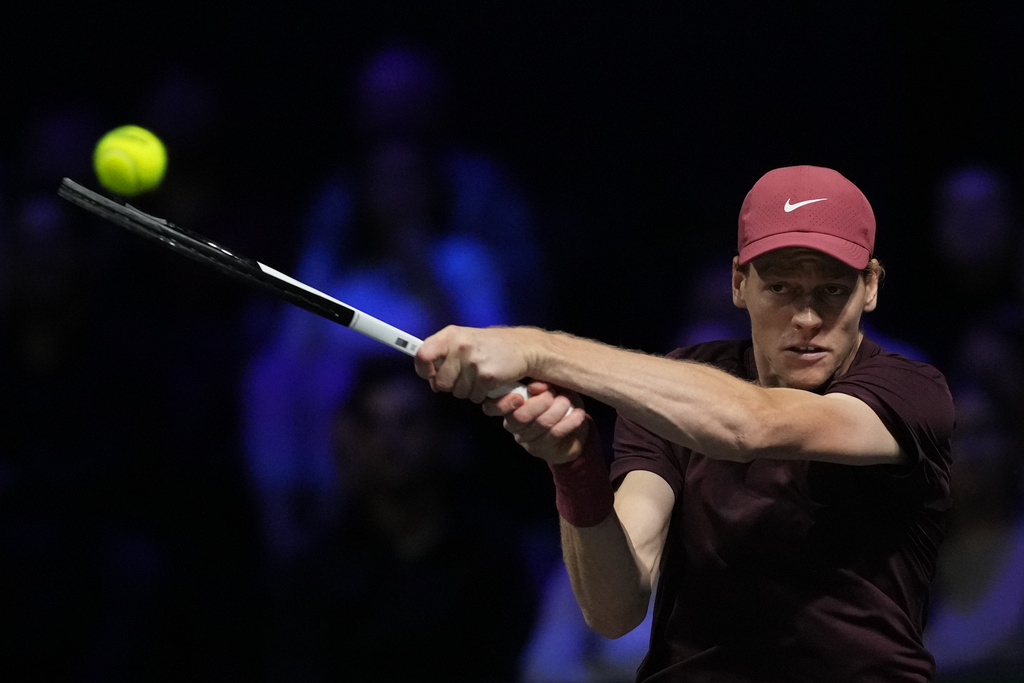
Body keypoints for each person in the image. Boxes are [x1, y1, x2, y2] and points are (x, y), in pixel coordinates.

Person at [414, 165, 955, 682]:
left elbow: (752, 425)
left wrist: (534, 348)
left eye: (833, 289)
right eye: (781, 288)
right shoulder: (677, 388)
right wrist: (575, 465)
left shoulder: (910, 391)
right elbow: (614, 609)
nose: (807, 317)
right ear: (740, 283)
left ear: (873, 286)